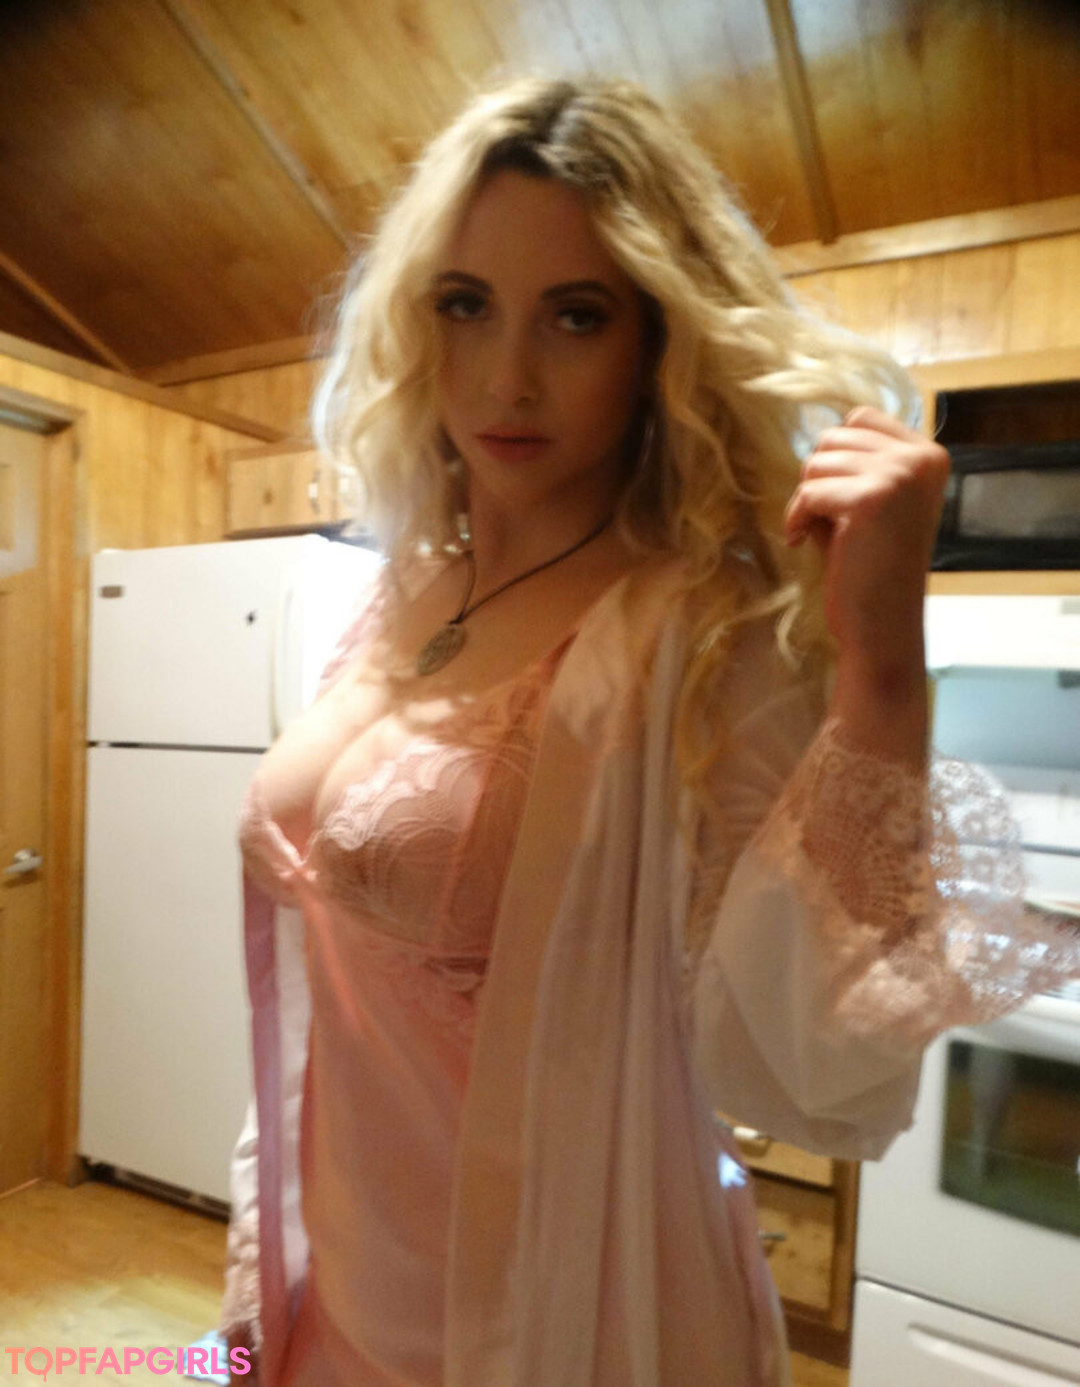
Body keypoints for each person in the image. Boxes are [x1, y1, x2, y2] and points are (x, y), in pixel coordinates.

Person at [217, 77, 1080, 1387]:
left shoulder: (707, 634)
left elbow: (819, 1062)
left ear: (656, 342)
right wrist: (259, 1260)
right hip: (332, 1290)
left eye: (577, 315)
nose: (506, 377)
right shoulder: (404, 587)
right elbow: (334, 1002)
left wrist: (883, 667)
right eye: (465, 304)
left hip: (554, 1325)